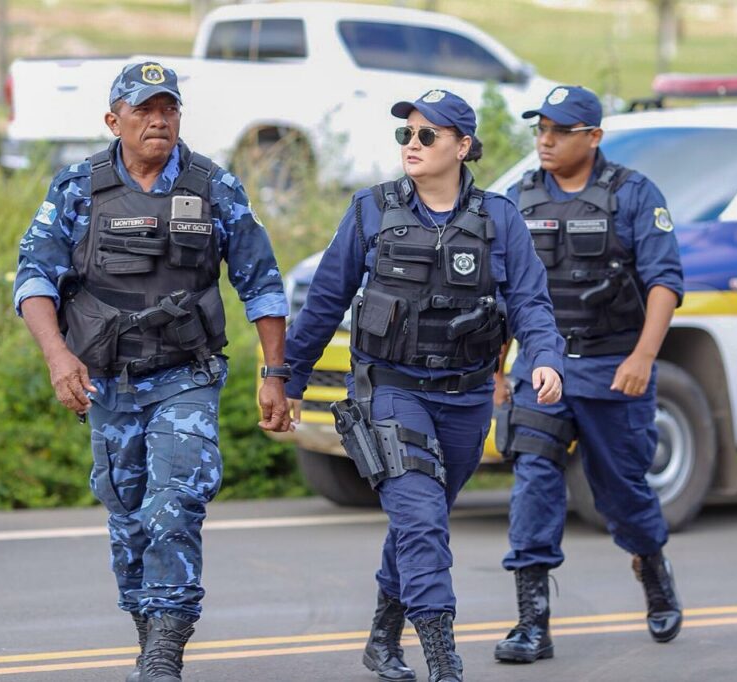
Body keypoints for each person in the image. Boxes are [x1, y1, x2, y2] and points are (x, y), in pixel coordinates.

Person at [12, 61, 291, 682]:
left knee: (175, 504)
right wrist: (59, 356)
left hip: (185, 375)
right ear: (114, 120)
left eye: (168, 108)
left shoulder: (213, 186)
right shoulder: (77, 188)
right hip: (107, 381)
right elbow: (34, 277)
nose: (158, 119)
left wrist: (275, 372)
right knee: (127, 516)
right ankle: (149, 635)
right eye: (143, 109)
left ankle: (166, 649)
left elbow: (263, 283)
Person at [284, 90, 564, 682]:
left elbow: (532, 301)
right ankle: (444, 662)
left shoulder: (500, 219)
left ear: (462, 147)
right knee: (421, 521)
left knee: (422, 520)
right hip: (390, 390)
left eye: (427, 135)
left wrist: (544, 358)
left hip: (464, 399)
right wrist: (288, 380)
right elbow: (324, 301)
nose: (412, 145)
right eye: (406, 135)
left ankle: (383, 636)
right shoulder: (370, 210)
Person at [493, 85, 685, 663]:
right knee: (534, 482)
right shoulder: (517, 198)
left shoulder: (632, 194)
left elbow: (664, 283)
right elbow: (502, 291)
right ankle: (533, 623)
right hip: (542, 369)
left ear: (593, 136)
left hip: (613, 368)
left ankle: (651, 565)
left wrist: (643, 358)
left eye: (558, 130)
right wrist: (496, 368)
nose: (544, 140)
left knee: (622, 494)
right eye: (539, 129)